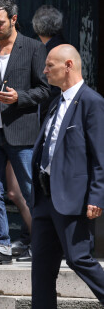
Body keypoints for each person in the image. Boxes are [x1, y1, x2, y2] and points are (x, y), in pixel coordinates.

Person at [0, 0, 50, 265]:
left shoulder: (34, 49)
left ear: (13, 19)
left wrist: (19, 98)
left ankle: (43, 243)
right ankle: (0, 246)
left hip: (22, 132)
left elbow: (46, 90)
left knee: (30, 190)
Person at [31, 44, 104, 307]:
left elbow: (100, 155)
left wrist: (96, 196)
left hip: (71, 197)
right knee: (40, 266)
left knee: (78, 258)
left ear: (68, 66)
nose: (45, 70)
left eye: (50, 65)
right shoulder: (55, 102)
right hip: (43, 198)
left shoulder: (92, 102)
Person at [32, 5, 67, 123]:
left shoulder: (52, 52)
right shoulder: (63, 46)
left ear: (36, 27)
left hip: (52, 115)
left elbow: (56, 89)